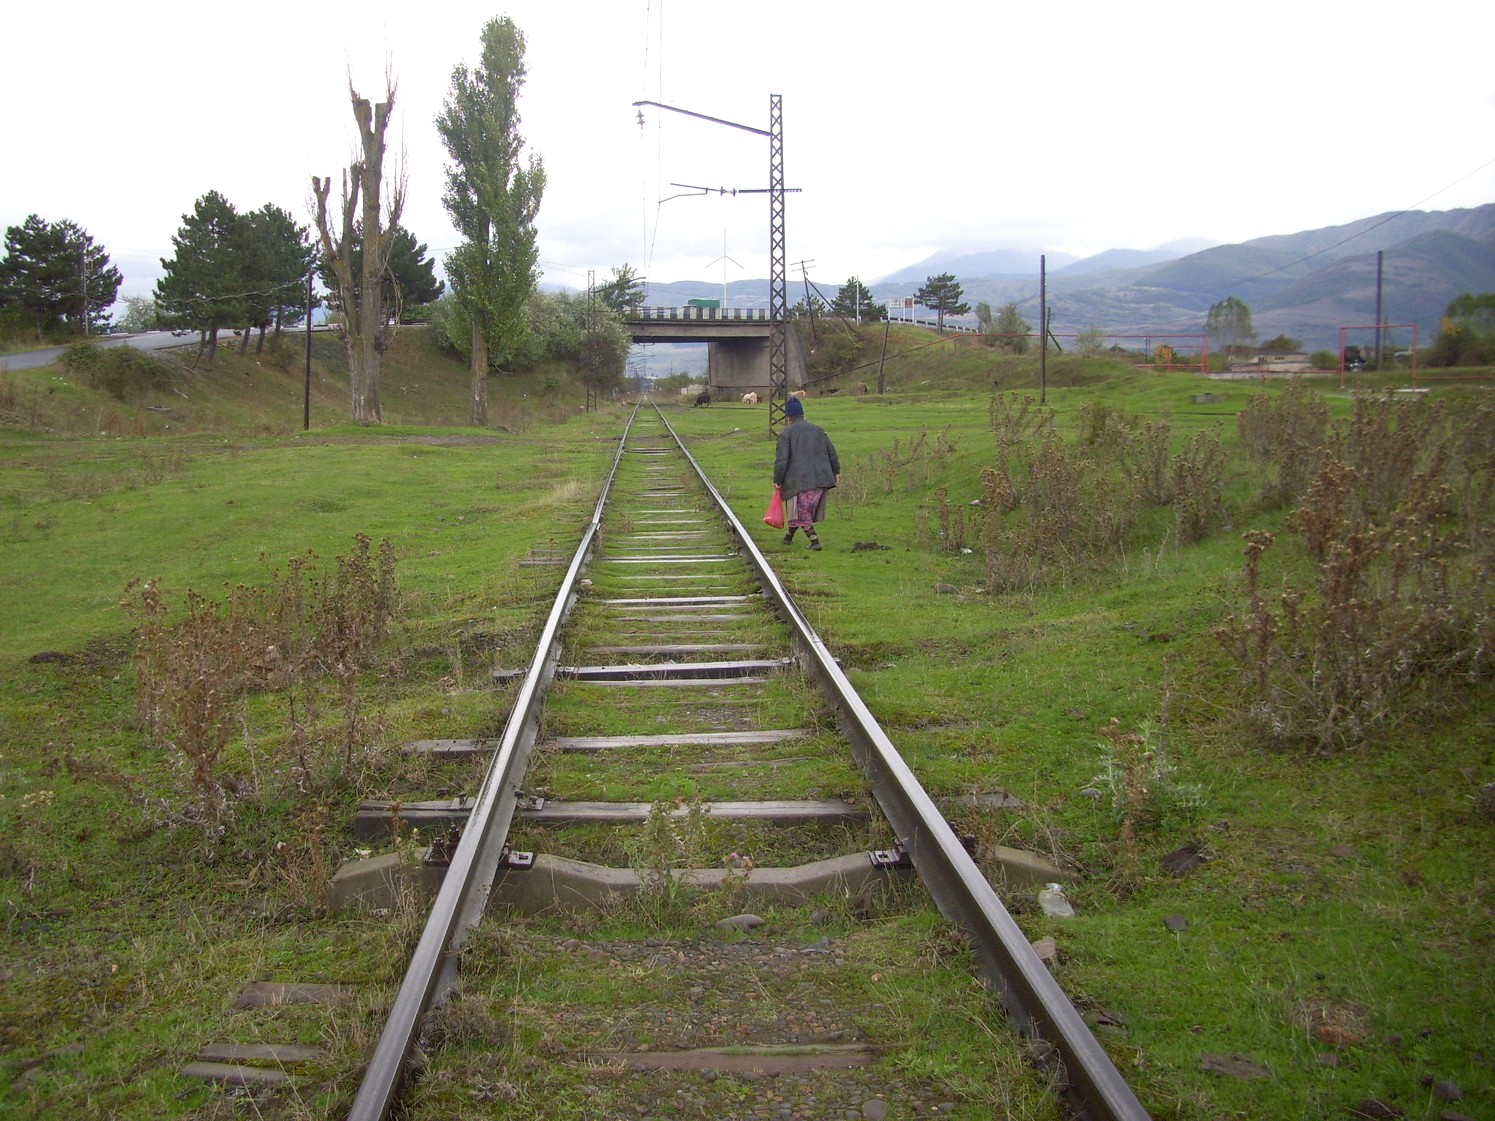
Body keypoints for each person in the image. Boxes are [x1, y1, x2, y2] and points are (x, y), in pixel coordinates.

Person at [773, 395, 840, 551]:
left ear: (788, 416)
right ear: (802, 414)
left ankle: (814, 541)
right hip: (821, 478)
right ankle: (789, 535)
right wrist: (836, 471)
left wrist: (778, 479)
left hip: (799, 481)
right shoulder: (818, 430)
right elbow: (832, 452)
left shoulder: (786, 434)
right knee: (800, 509)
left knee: (801, 511)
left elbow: (782, 460)